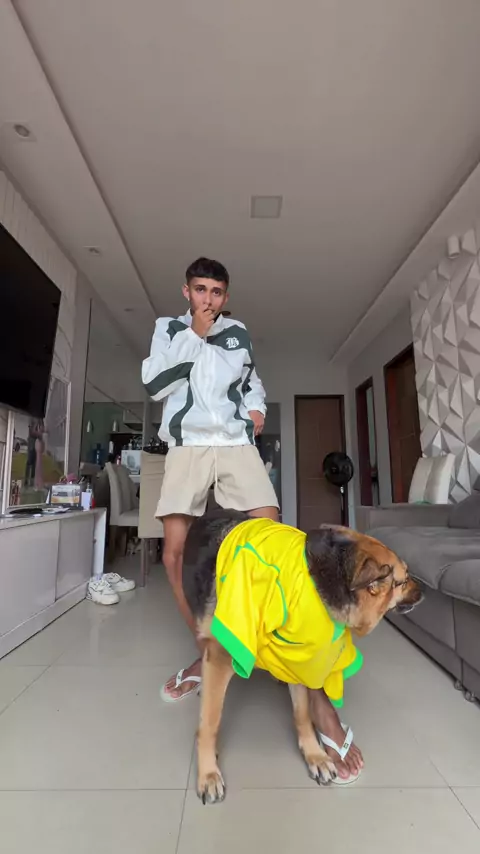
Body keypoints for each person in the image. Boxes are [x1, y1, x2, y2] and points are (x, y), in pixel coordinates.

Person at [141, 257, 279, 701]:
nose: (208, 299)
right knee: (174, 555)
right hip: (190, 444)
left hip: (236, 443)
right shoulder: (169, 329)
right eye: (200, 290)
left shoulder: (238, 332)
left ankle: (267, 641)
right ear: (187, 292)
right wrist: (195, 335)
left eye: (216, 292)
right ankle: (207, 653)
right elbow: (154, 385)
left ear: (225, 296)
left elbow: (251, 380)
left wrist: (257, 408)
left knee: (271, 539)